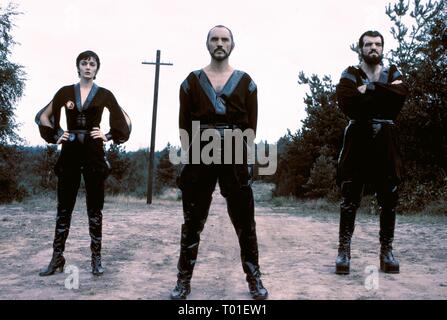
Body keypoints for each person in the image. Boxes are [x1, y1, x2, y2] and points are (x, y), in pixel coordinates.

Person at [170, 25, 268, 300]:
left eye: (225, 39)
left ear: (232, 44)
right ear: (207, 44)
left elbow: (252, 125)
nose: (220, 43)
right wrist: (189, 157)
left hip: (235, 151)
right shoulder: (191, 81)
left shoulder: (246, 81)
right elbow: (184, 125)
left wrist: (246, 158)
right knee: (192, 222)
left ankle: (254, 279)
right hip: (201, 153)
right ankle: (183, 281)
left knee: (245, 222)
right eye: (215, 39)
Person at [36, 50, 131, 276]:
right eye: (84, 63)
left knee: (94, 208)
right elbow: (43, 116)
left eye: (92, 64)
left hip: (93, 151)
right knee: (64, 207)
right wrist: (57, 134)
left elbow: (125, 121)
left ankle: (96, 260)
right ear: (78, 67)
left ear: (97, 68)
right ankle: (57, 259)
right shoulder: (65, 92)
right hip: (69, 151)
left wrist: (107, 136)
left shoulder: (105, 94)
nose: (88, 67)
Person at [335, 31, 408, 274]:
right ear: (361, 49)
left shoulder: (393, 72)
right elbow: (346, 100)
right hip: (358, 137)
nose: (373, 48)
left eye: (377, 44)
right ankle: (343, 252)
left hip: (386, 138)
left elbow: (400, 96)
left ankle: (387, 252)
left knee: (389, 198)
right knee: (350, 197)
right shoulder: (350, 73)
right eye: (368, 45)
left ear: (383, 48)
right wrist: (383, 92)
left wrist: (369, 89)